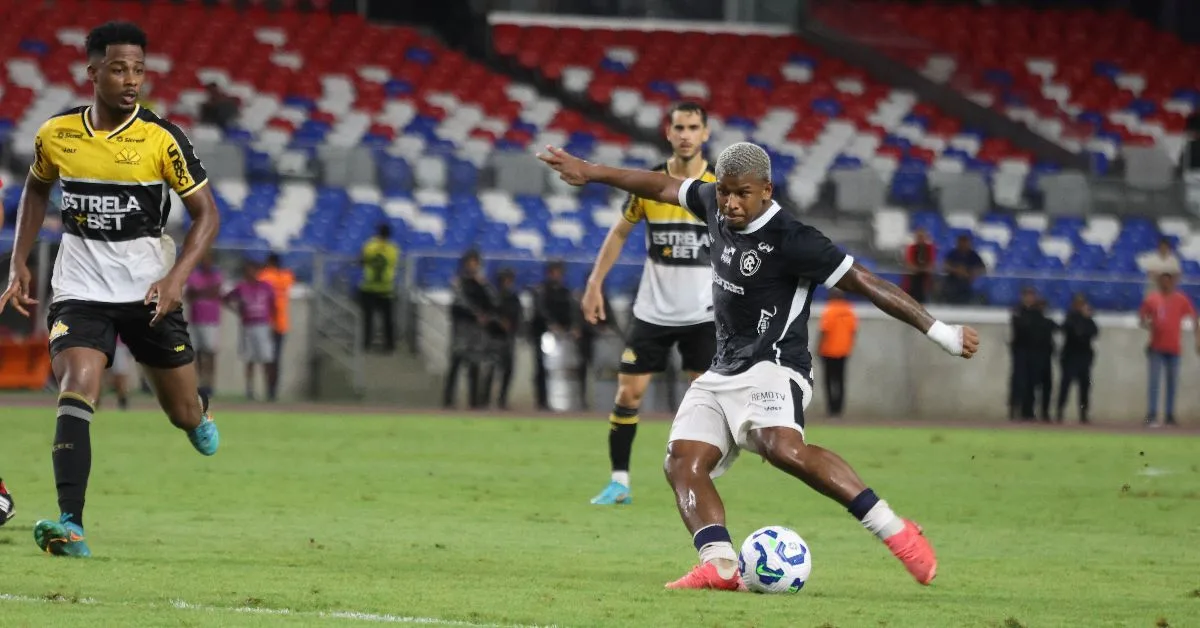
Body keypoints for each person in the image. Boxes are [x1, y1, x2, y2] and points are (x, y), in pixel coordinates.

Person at [538, 141, 979, 589]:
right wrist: (590, 171)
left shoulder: (794, 239)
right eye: (724, 192)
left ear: (766, 190)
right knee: (681, 461)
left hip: (776, 364)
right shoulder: (713, 201)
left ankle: (895, 530)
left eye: (741, 194)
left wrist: (942, 333)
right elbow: (659, 184)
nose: (729, 202)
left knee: (781, 447)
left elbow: (867, 282)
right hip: (723, 367)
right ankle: (721, 564)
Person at [0, 22, 220, 558]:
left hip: (148, 292)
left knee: (182, 413)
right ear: (93, 72)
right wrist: (19, 261)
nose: (131, 80)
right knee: (78, 385)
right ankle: (70, 525)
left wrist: (174, 280)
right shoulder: (56, 134)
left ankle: (197, 410)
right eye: (119, 68)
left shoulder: (163, 139)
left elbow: (207, 216)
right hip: (80, 287)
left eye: (139, 69)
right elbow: (35, 186)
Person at [580, 101, 718, 506]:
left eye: (694, 127)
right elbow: (620, 233)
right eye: (679, 126)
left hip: (703, 315)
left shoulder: (717, 187)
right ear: (668, 132)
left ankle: (695, 480)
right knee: (628, 396)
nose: (686, 134)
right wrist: (594, 283)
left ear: (705, 134)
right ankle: (619, 481)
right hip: (653, 313)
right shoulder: (649, 185)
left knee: (703, 404)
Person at [1138, 272, 1198, 427]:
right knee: (1154, 382)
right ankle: (1152, 414)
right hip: (1156, 347)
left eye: (1168, 281)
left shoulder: (1180, 299)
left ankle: (1170, 414)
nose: (1166, 284)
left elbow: (1193, 316)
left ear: (1172, 283)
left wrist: (1197, 338)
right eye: (1163, 281)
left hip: (1174, 347)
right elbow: (1142, 317)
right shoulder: (1153, 299)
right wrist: (1149, 324)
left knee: (1172, 383)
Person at [442, 250, 492, 409]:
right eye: (470, 263)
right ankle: (448, 400)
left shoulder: (482, 284)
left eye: (475, 263)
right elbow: (458, 304)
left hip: (476, 332)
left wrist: (482, 285)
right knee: (455, 364)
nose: (472, 266)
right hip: (462, 329)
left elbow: (492, 302)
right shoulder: (459, 283)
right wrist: (475, 314)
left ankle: (474, 401)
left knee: (474, 366)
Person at [223, 261, 276, 401]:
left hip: (263, 325)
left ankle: (268, 391)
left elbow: (273, 305)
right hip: (248, 325)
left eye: (253, 270)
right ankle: (250, 390)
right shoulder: (241, 287)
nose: (250, 273)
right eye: (248, 270)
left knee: (266, 359)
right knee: (249, 359)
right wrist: (238, 311)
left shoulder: (266, 287)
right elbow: (225, 299)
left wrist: (272, 323)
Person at [530, 260, 577, 411]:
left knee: (565, 368)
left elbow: (571, 311)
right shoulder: (541, 290)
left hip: (563, 336)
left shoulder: (565, 291)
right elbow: (540, 310)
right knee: (542, 368)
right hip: (544, 335)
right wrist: (551, 325)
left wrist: (571, 327)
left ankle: (567, 399)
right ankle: (542, 400)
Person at [481, 267, 522, 410]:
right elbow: (487, 316)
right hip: (494, 337)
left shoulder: (513, 297)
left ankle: (502, 400)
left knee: (508, 370)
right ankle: (484, 401)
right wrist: (499, 322)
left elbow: (518, 317)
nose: (508, 283)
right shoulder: (494, 297)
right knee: (491, 369)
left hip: (508, 338)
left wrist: (512, 327)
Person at [257, 252, 294, 401]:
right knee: (276, 359)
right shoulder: (286, 276)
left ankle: (268, 389)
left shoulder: (265, 276)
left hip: (267, 323)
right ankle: (273, 391)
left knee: (267, 359)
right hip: (282, 323)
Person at [185, 251, 223, 399]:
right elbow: (190, 295)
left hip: (211, 321)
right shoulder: (194, 274)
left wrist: (199, 292)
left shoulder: (217, 274)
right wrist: (205, 292)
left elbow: (216, 291)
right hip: (196, 320)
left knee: (210, 353)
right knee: (197, 353)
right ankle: (199, 383)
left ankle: (210, 383)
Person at [1056, 293, 1097, 423]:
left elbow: (1094, 332)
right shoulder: (1070, 318)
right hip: (1070, 357)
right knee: (1065, 386)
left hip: (1084, 357)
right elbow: (1072, 332)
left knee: (1084, 387)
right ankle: (1060, 411)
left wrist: (1087, 318)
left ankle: (1083, 413)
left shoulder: (1089, 320)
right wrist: (1080, 319)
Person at [359, 223, 399, 353]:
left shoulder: (369, 246)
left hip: (369, 287)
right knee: (387, 319)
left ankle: (366, 344)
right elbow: (393, 263)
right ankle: (389, 345)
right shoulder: (393, 248)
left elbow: (362, 260)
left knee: (368, 319)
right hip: (386, 288)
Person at [817, 288, 857, 418]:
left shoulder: (829, 310)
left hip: (828, 351)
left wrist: (818, 347)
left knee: (829, 380)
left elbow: (824, 330)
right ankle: (839, 409)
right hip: (844, 351)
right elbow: (853, 330)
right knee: (840, 380)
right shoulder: (849, 310)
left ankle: (831, 410)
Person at [941, 234, 985, 304]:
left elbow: (982, 268)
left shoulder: (973, 255)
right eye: (961, 242)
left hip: (968, 281)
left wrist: (972, 272)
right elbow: (945, 266)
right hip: (953, 281)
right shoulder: (953, 253)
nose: (963, 244)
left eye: (965, 242)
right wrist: (956, 270)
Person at [902, 228, 936, 304]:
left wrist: (918, 269)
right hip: (913, 280)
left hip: (925, 280)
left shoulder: (929, 248)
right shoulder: (912, 248)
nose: (920, 239)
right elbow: (910, 266)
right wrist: (922, 269)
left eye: (922, 236)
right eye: (918, 236)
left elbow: (931, 266)